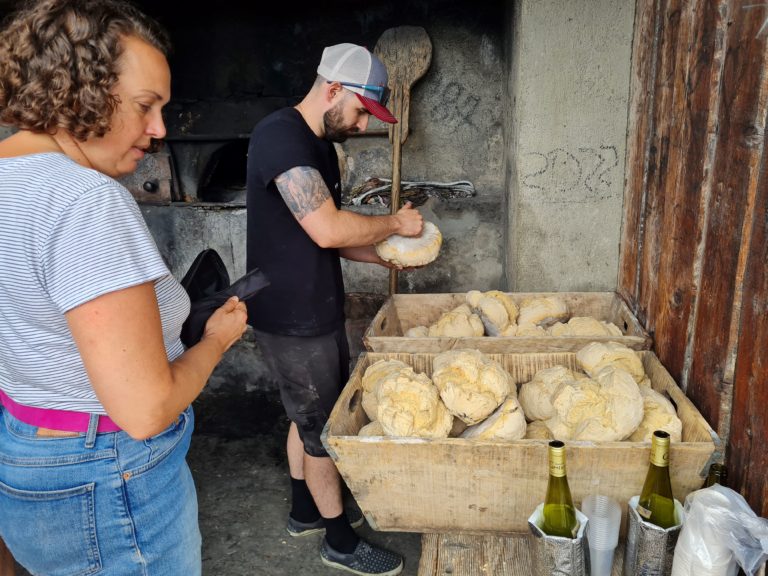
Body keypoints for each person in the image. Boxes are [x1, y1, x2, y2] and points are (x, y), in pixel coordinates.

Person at [0, 1, 248, 574]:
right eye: (145, 106)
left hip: (26, 447)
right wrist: (216, 340)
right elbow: (146, 409)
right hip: (106, 473)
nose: (160, 130)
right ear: (78, 92)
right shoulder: (85, 200)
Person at [246, 43, 425, 576]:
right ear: (333, 90)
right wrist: (395, 223)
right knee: (323, 430)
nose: (363, 125)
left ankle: (305, 511)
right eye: (361, 111)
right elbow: (327, 227)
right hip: (290, 316)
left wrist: (389, 254)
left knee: (305, 414)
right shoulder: (280, 136)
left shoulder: (320, 147)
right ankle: (339, 541)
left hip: (314, 307)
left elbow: (328, 238)